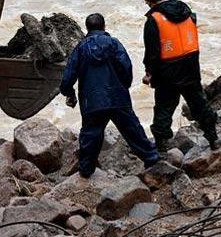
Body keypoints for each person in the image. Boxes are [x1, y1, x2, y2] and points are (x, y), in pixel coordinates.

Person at [60, 13, 160, 178]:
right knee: (132, 130)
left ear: (87, 28)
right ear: (104, 26)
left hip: (92, 100)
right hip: (117, 97)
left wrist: (68, 92)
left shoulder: (80, 48)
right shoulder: (114, 43)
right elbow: (126, 67)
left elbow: (68, 75)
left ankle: (86, 170)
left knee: (90, 135)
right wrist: (124, 86)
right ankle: (151, 158)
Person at [141, 0, 219, 152]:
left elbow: (152, 51)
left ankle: (162, 147)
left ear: (149, 3)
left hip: (167, 71)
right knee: (200, 103)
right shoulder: (186, 11)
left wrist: (149, 73)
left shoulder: (153, 20)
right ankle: (213, 138)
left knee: (164, 107)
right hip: (190, 66)